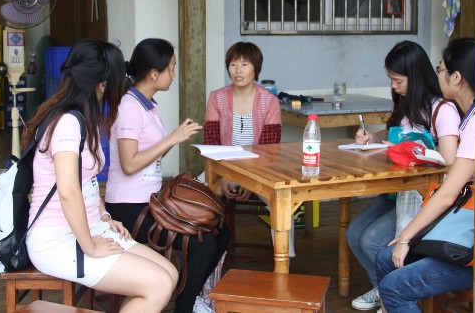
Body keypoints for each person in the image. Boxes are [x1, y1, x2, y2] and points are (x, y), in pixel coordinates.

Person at [25, 39, 178, 313]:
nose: (125, 85)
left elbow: (88, 183)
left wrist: (104, 217)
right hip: (58, 238)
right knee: (158, 284)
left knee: (169, 273)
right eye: (121, 78)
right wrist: (91, 246)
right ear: (103, 84)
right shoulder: (67, 123)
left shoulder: (85, 118)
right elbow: (68, 191)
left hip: (90, 226)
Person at [104, 38, 229, 313]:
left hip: (151, 202)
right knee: (204, 243)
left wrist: (174, 138)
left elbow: (152, 156)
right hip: (128, 208)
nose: (173, 74)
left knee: (220, 230)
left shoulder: (147, 105)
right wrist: (172, 138)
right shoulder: (129, 107)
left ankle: (193, 299)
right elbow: (129, 164)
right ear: (153, 73)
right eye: (171, 68)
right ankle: (186, 306)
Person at [346, 40, 461, 311]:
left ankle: (392, 292)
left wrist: (409, 151)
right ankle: (382, 289)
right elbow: (395, 134)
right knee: (354, 233)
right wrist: (373, 136)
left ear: (416, 76)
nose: (394, 86)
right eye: (391, 80)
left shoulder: (442, 111)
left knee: (372, 240)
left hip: (424, 197)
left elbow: (449, 162)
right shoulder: (407, 105)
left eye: (398, 80)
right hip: (398, 192)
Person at [375, 38, 475, 313]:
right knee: (385, 258)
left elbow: (447, 194)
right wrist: (407, 236)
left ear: (456, 78)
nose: (438, 74)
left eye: (441, 69)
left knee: (393, 287)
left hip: (472, 244)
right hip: (463, 220)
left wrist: (407, 236)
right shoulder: (470, 115)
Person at [204, 41, 295, 257]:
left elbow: (270, 150)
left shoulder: (269, 101)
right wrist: (222, 176)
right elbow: (211, 144)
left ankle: (284, 260)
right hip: (223, 169)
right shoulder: (217, 98)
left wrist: (249, 181)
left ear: (256, 68)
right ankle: (208, 256)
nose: (238, 70)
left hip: (260, 172)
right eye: (233, 64)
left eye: (244, 64)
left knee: (283, 204)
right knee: (197, 197)